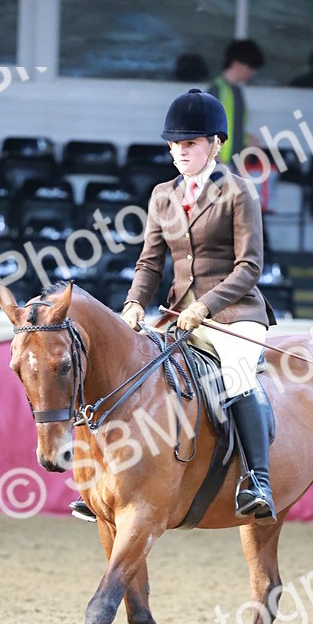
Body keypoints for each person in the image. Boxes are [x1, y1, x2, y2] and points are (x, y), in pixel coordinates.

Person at [119, 87, 277, 522]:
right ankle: (116, 481)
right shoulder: (162, 195)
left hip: (234, 314)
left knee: (237, 375)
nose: (179, 151)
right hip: (177, 316)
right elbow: (150, 262)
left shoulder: (238, 191)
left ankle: (257, 480)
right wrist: (134, 303)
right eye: (174, 144)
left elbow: (249, 266)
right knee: (133, 374)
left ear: (215, 144)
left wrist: (203, 307)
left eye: (189, 143)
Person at [207, 39, 265, 168]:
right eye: (251, 67)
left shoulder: (237, 91)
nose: (252, 73)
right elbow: (205, 129)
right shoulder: (217, 90)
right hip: (218, 164)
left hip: (231, 164)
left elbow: (234, 127)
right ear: (237, 63)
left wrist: (246, 139)